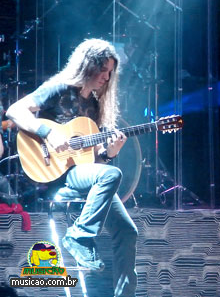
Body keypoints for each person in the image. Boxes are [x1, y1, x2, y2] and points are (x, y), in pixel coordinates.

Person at [6, 38, 138, 297]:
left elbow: (93, 162)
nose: (106, 77)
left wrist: (109, 153)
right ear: (88, 66)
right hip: (54, 174)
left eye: (110, 72)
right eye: (103, 69)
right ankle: (79, 236)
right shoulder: (59, 89)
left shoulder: (95, 105)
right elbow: (14, 110)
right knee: (112, 175)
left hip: (81, 174)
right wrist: (47, 132)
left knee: (127, 231)